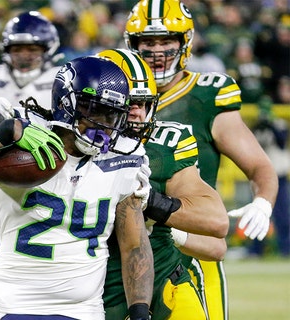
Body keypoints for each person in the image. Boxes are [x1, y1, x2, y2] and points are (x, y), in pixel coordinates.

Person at [0, 56, 154, 320]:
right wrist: (0, 134)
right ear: (66, 105)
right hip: (9, 301)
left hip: (81, 310)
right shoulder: (24, 135)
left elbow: (134, 244)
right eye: (95, 110)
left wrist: (139, 309)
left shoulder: (125, 155)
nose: (105, 123)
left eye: (113, 114)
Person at [124, 1, 279, 319]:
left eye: (167, 41)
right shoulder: (113, 95)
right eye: (148, 42)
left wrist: (263, 201)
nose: (157, 51)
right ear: (133, 45)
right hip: (121, 249)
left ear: (185, 43)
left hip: (190, 247)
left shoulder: (206, 96)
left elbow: (258, 165)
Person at [97, 48, 229, 320]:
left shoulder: (164, 144)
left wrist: (153, 203)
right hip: (93, 290)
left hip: (162, 279)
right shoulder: (69, 148)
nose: (137, 114)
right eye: (130, 103)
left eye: (143, 104)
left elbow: (217, 225)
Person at [0, 9, 63, 261]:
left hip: (46, 167)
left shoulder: (60, 78)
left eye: (32, 49)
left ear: (48, 49)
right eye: (18, 49)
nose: (25, 56)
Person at [248, 96, 290, 257]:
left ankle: (286, 249)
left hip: (278, 175)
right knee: (257, 213)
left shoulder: (279, 124)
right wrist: (260, 125)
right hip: (259, 177)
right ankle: (256, 250)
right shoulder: (256, 127)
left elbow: (281, 142)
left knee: (282, 214)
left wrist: (271, 124)